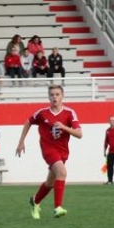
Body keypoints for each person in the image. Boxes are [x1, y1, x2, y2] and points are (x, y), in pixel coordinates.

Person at [17, 84, 82, 219]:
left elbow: (79, 134)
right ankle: (57, 207)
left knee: (50, 183)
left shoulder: (69, 113)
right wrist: (21, 142)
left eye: (57, 94)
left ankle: (34, 201)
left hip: (63, 151)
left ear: (62, 96)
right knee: (62, 172)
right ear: (48, 97)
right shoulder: (42, 113)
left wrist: (64, 127)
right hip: (48, 150)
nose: (54, 97)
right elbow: (28, 122)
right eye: (52, 95)